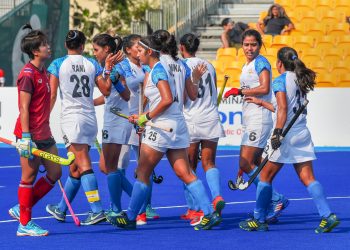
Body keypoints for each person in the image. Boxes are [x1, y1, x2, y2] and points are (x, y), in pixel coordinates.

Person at [107, 35, 221, 230]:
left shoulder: (158, 69)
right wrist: (194, 79)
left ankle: (131, 217)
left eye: (141, 51)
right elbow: (192, 96)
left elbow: (166, 99)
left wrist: (145, 117)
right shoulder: (181, 65)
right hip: (178, 126)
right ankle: (209, 213)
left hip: (161, 128)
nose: (138, 54)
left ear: (150, 51)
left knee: (142, 172)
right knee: (185, 173)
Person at [239, 47, 340, 233]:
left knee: (265, 177)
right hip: (302, 132)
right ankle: (328, 216)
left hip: (286, 134)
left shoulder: (280, 80)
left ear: (279, 63)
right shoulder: (300, 79)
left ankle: (258, 219)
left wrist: (277, 133)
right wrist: (262, 102)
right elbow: (284, 108)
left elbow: (283, 109)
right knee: (308, 178)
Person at [45, 30, 121, 225]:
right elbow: (105, 90)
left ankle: (96, 209)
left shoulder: (57, 64)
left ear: (65, 45)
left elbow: (53, 95)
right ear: (82, 45)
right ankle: (61, 209)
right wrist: (106, 69)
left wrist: (44, 117)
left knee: (83, 163)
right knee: (75, 167)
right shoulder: (92, 63)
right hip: (89, 119)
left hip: (72, 120)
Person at [224, 29, 288, 222]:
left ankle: (276, 199)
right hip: (251, 118)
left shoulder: (261, 62)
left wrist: (239, 91)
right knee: (255, 164)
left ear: (259, 45)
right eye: (246, 44)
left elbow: (265, 88)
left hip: (259, 118)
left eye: (253, 44)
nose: (249, 48)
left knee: (246, 162)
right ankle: (270, 204)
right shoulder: (247, 64)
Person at [8, 24, 62, 236]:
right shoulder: (28, 74)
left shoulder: (45, 72)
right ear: (35, 51)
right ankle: (24, 224)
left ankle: (22, 207)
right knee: (28, 178)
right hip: (29, 135)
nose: (49, 47)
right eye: (45, 45)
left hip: (45, 134)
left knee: (55, 172)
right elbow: (23, 107)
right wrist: (27, 137)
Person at [179, 33, 226, 225]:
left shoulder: (182, 66)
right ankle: (216, 196)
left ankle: (194, 209)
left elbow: (183, 96)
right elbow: (213, 91)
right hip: (211, 116)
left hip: (191, 118)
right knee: (209, 162)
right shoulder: (210, 65)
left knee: (189, 167)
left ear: (182, 47)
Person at [117, 34, 160, 225]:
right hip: (126, 120)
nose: (140, 49)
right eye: (137, 46)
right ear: (128, 50)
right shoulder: (123, 67)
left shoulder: (146, 66)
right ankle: (128, 203)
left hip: (142, 120)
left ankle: (144, 208)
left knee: (145, 166)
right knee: (119, 168)